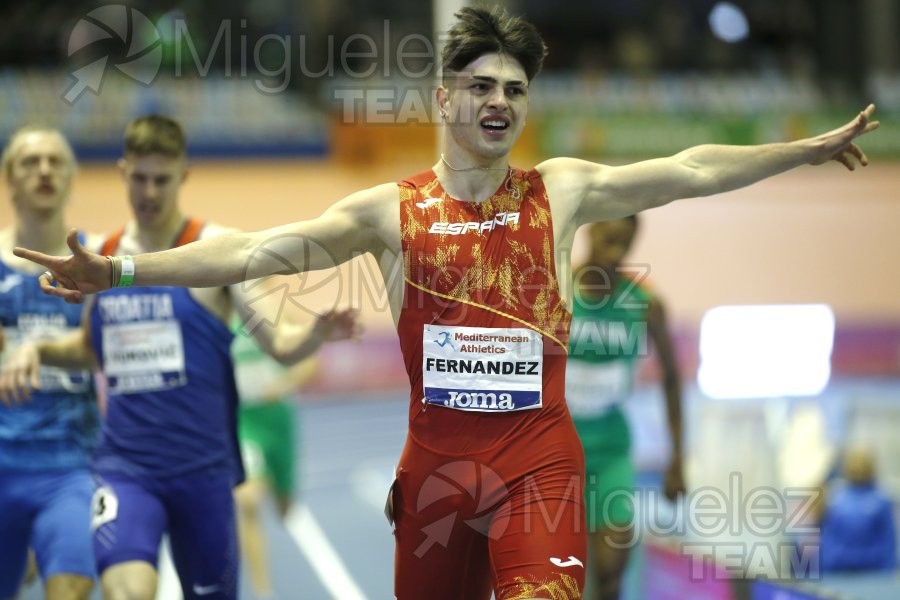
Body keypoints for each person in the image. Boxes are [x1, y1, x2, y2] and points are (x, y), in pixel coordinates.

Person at [7, 6, 880, 600]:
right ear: (445, 99)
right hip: (434, 478)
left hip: (541, 465)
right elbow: (248, 252)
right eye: (483, 87)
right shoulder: (390, 212)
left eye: (515, 90)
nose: (499, 102)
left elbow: (691, 170)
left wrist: (801, 150)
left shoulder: (561, 190)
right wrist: (119, 275)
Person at [0, 115, 359, 600]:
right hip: (126, 469)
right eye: (140, 178)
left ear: (183, 176)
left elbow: (281, 343)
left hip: (204, 474)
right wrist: (35, 350)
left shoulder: (219, 249)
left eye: (161, 179)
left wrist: (316, 333)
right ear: (123, 173)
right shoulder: (100, 257)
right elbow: (90, 350)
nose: (149, 192)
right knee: (124, 592)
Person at [0, 127, 99, 600]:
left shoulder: (101, 268)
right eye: (29, 162)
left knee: (72, 585)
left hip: (70, 463)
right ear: (9, 179)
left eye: (55, 161)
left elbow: (108, 352)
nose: (43, 170)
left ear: (71, 177)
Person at [566, 216, 684, 600]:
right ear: (590, 230)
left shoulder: (644, 302)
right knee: (555, 573)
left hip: (611, 450)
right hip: (553, 450)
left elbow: (671, 378)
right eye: (609, 239)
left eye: (625, 243)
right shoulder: (553, 289)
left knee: (611, 571)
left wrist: (677, 459)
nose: (616, 251)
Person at [230, 317, 318, 599]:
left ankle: (269, 479)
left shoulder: (274, 316)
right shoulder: (220, 320)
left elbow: (311, 361)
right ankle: (262, 591)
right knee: (247, 500)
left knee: (284, 509)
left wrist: (283, 385)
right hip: (244, 421)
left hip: (279, 422)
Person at [817, 447, 897, 573]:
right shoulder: (836, 498)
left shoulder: (882, 500)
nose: (858, 468)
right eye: (855, 464)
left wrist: (888, 570)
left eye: (862, 464)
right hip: (839, 570)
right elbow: (828, 538)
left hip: (874, 572)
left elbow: (888, 540)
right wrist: (827, 566)